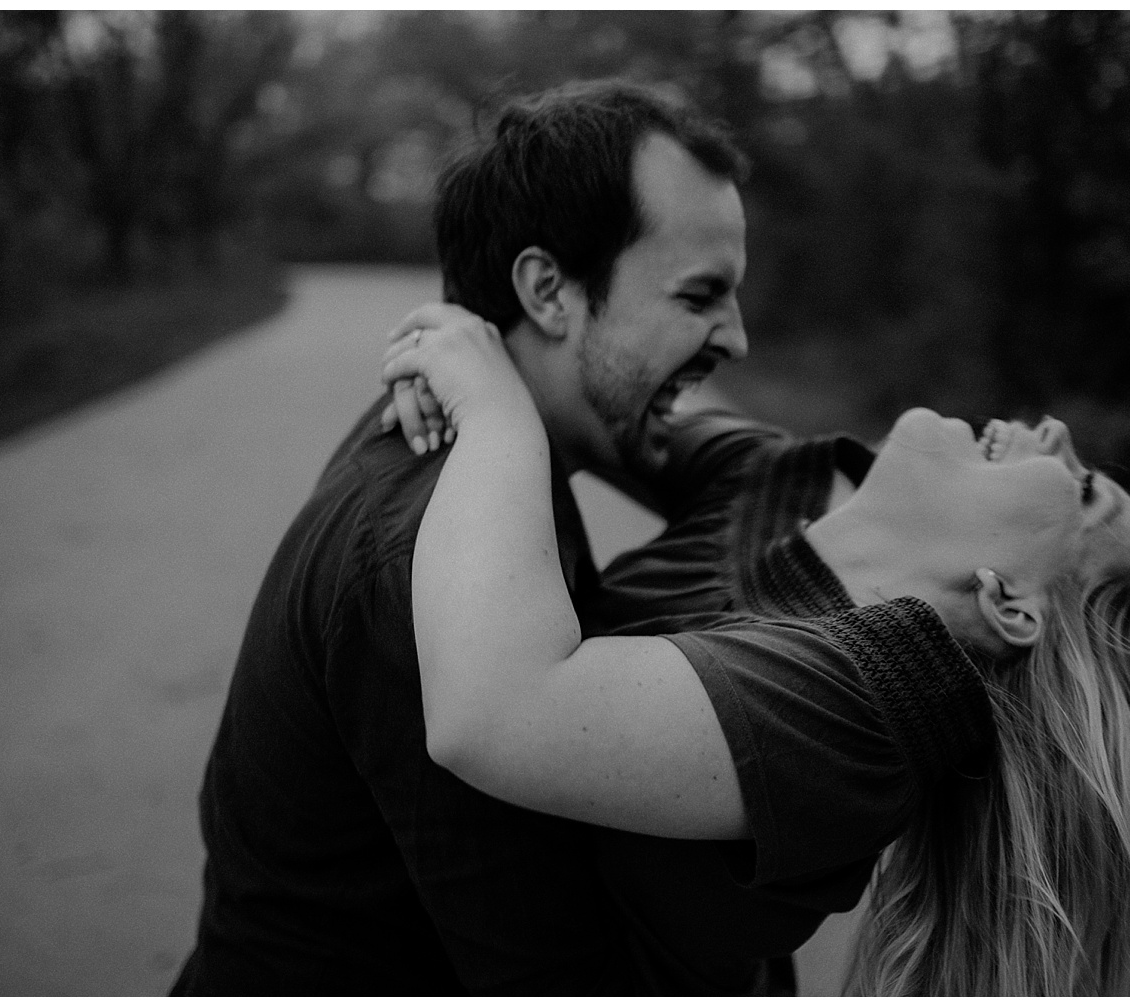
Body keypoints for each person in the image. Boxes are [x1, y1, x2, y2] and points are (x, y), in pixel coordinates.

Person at [380, 307, 1130, 996]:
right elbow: (597, 404)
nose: (1054, 430)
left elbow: (494, 712)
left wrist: (492, 406)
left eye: (1084, 490)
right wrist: (477, 348)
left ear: (1007, 600)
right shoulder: (790, 478)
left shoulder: (863, 715)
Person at [172, 79, 768, 994]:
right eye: (699, 295)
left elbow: (748, 468)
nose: (735, 337)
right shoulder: (438, 557)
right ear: (548, 290)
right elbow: (553, 972)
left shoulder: (498, 453)